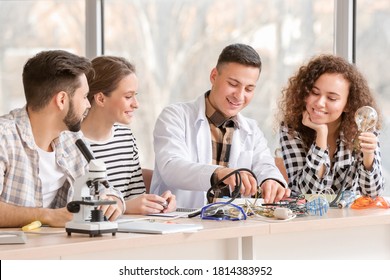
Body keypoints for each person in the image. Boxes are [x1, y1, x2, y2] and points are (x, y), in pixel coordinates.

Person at [151, 43, 290, 208]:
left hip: (228, 224)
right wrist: (219, 173)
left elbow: (265, 164)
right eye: (233, 84)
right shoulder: (175, 116)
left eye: (249, 88)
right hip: (178, 221)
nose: (239, 95)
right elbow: (171, 168)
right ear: (214, 76)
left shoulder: (251, 129)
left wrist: (271, 180)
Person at [0, 50, 125, 228]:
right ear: (61, 100)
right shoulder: (4, 138)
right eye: (84, 97)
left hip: (57, 248)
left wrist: (114, 201)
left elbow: (103, 188)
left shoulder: (72, 140)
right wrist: (47, 216)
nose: (88, 105)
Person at [277, 54, 384, 197]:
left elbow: (373, 193)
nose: (320, 103)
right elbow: (307, 193)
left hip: (351, 217)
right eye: (314, 93)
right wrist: (321, 136)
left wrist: (368, 155)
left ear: (348, 104)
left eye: (332, 98)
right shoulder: (291, 129)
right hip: (310, 218)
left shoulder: (362, 126)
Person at [81, 55, 176, 214]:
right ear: (100, 98)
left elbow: (135, 197)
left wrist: (158, 204)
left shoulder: (125, 137)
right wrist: (126, 207)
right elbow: (71, 207)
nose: (136, 104)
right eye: (128, 96)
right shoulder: (69, 143)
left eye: (135, 96)